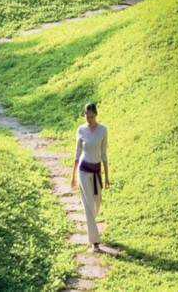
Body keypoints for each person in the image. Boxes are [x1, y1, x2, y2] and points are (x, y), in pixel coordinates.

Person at [70, 102, 109, 252]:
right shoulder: (81, 130)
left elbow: (104, 154)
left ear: (96, 115)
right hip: (83, 170)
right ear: (84, 114)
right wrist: (73, 176)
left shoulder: (103, 130)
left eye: (92, 116)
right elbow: (77, 153)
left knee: (96, 204)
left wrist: (106, 176)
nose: (90, 119)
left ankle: (90, 224)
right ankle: (95, 243)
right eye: (87, 116)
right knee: (88, 205)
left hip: (97, 171)